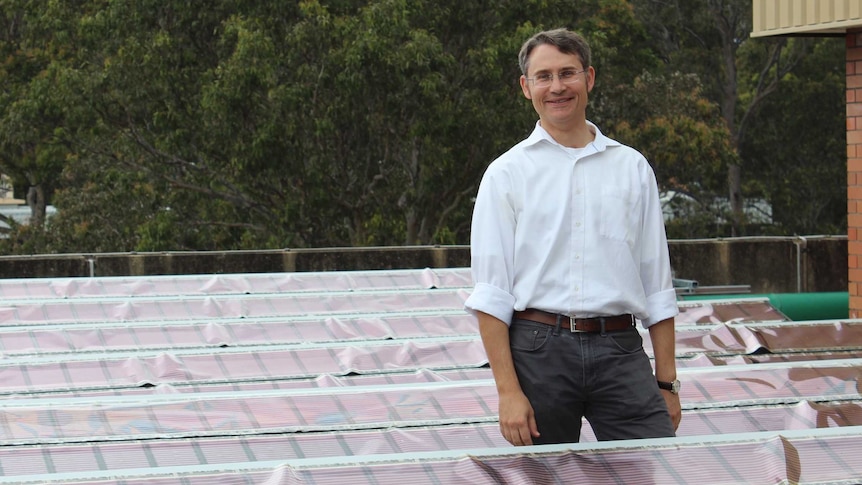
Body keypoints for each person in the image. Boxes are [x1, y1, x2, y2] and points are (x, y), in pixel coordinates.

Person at [464, 28, 682, 446]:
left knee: (648, 467)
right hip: (538, 351)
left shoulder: (632, 168)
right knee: (544, 476)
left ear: (590, 78)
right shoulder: (506, 173)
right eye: (543, 76)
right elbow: (492, 293)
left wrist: (667, 383)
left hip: (620, 349)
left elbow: (657, 284)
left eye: (568, 73)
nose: (557, 87)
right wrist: (508, 392)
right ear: (526, 88)